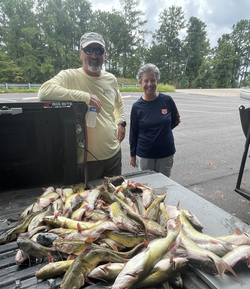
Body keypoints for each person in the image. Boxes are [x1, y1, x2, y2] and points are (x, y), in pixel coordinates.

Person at [38, 32, 126, 184]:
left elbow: (118, 103)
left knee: (115, 198)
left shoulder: (111, 79)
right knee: (91, 203)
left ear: (104, 54)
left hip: (113, 154)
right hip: (88, 158)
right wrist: (85, 97)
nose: (94, 55)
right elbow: (44, 92)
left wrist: (121, 122)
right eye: (88, 50)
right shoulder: (70, 76)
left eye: (98, 51)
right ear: (80, 54)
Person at [129, 63, 180, 177]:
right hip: (144, 154)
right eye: (146, 81)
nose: (149, 84)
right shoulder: (137, 106)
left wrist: (162, 130)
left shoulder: (167, 100)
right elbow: (134, 132)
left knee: (163, 187)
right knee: (145, 188)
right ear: (140, 83)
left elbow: (175, 120)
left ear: (158, 81)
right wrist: (133, 155)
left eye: (153, 80)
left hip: (165, 153)